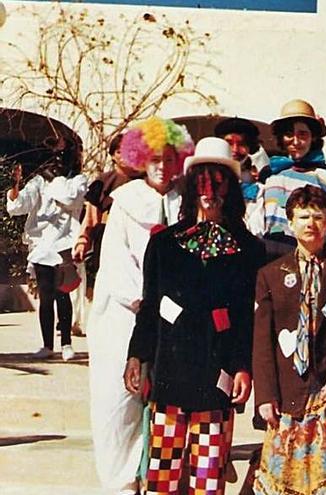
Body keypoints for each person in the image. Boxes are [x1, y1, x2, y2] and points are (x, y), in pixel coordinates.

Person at [124, 137, 265, 495]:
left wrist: (242, 367)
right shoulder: (164, 243)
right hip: (169, 372)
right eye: (202, 181)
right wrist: (137, 356)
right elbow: (150, 306)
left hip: (216, 374)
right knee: (162, 477)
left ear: (230, 189)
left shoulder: (247, 248)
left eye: (218, 183)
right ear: (191, 187)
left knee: (207, 478)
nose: (209, 192)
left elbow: (246, 318)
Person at [87, 117, 191, 495]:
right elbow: (116, 262)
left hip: (174, 315)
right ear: (140, 160)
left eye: (168, 158)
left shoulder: (185, 200)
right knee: (120, 399)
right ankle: (122, 480)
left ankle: (164, 475)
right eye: (154, 160)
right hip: (125, 313)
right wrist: (144, 304)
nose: (162, 167)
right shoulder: (126, 201)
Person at [251, 185, 326, 494]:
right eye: (303, 217)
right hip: (289, 391)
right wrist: (265, 395)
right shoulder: (272, 274)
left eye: (318, 217)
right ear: (290, 223)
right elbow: (263, 339)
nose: (311, 224)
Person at [6, 147, 87, 360]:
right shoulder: (39, 182)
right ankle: (47, 345)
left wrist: (56, 180)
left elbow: (70, 199)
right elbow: (19, 205)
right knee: (46, 296)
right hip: (42, 247)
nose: (57, 162)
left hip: (64, 244)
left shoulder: (78, 181)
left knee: (63, 294)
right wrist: (15, 186)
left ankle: (67, 344)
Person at [254, 99, 326, 258]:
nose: (296, 141)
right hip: (267, 253)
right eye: (288, 134)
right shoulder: (270, 173)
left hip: (310, 254)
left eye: (302, 134)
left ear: (313, 137)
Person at [73, 134, 144, 298]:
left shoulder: (144, 179)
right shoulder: (104, 181)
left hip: (138, 237)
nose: (124, 156)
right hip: (108, 238)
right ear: (112, 155)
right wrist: (83, 240)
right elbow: (90, 217)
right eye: (119, 152)